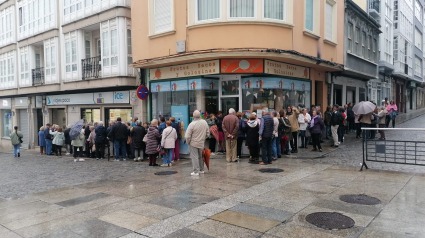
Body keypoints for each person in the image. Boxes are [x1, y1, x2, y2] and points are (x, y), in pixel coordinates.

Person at [186, 110, 210, 176]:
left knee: (195, 157)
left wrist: (188, 142)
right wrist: (203, 138)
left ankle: (196, 171)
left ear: (193, 116)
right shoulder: (204, 122)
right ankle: (202, 170)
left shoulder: (192, 124)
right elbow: (208, 133)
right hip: (201, 143)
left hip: (193, 143)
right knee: (201, 157)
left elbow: (187, 136)